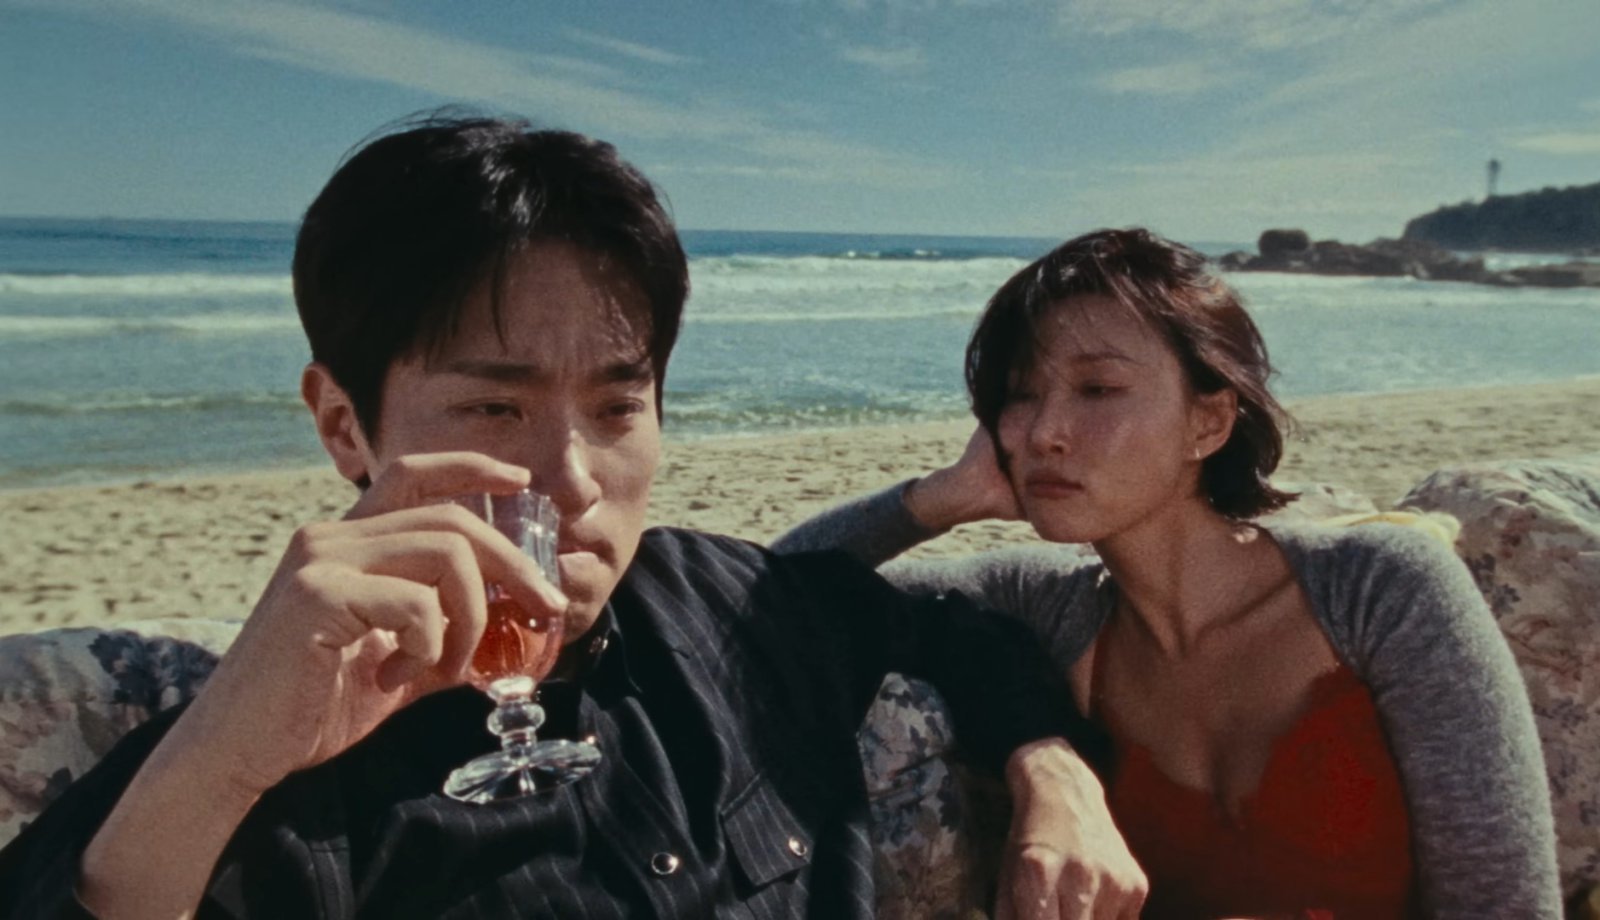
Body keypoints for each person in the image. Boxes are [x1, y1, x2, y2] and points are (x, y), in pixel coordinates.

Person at [0, 117, 1146, 918]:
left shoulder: (729, 606)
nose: (573, 477)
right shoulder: (271, 750)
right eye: (495, 406)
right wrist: (213, 769)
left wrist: (1054, 771)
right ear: (346, 426)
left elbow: (953, 632)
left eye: (615, 405)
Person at [775, 228, 1563, 918]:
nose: (1044, 431)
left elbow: (1506, 903)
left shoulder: (1377, 590)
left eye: (1097, 389)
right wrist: (938, 498)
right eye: (1020, 396)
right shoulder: (1045, 605)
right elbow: (768, 593)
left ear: (1208, 421)